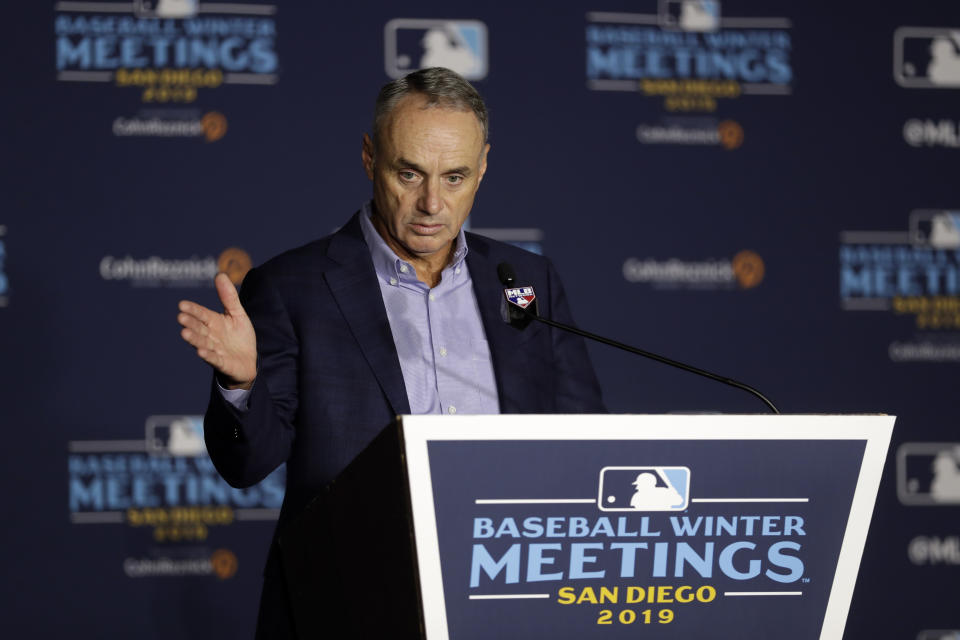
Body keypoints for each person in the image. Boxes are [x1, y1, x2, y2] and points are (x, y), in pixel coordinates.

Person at [176, 67, 604, 637]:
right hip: (352, 600)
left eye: (455, 177)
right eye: (410, 173)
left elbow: (587, 438)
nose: (432, 202)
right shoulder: (293, 287)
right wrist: (241, 383)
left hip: (507, 592)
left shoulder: (525, 279)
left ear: (482, 168)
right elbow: (246, 464)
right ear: (369, 156)